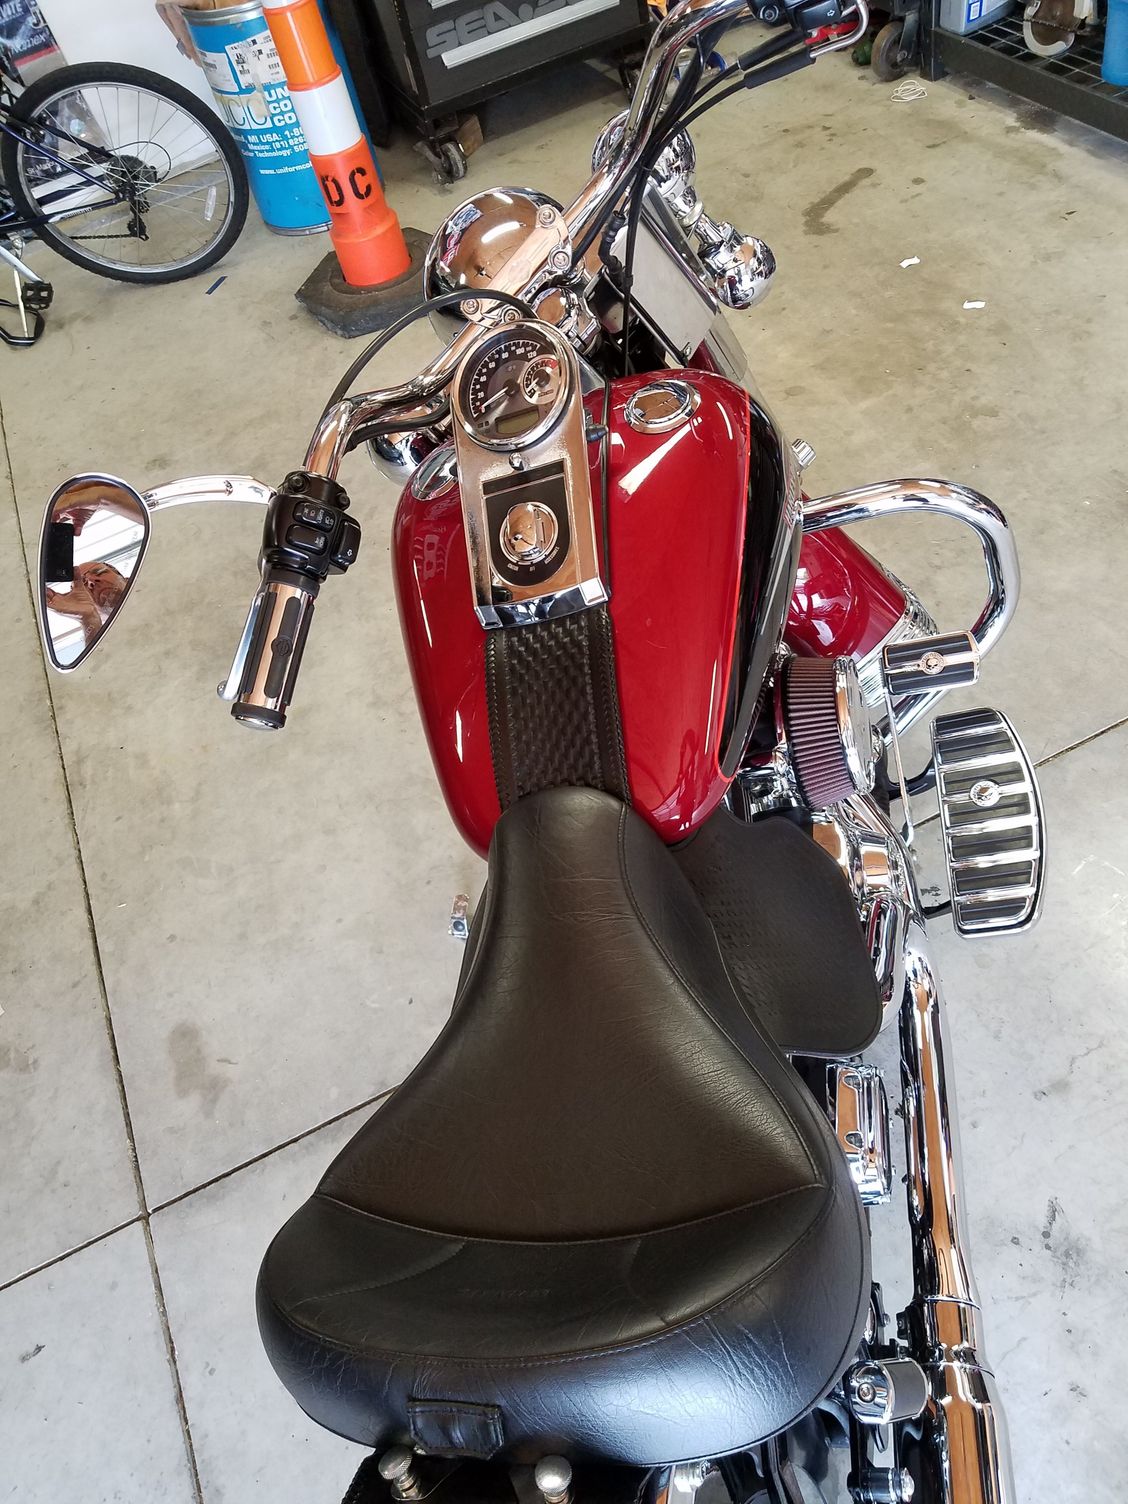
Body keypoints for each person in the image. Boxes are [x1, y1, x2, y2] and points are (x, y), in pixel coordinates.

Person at [45, 560, 128, 652]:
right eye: (84, 583)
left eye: (99, 572)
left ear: (123, 577)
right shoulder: (114, 644)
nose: (91, 581)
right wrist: (89, 619)